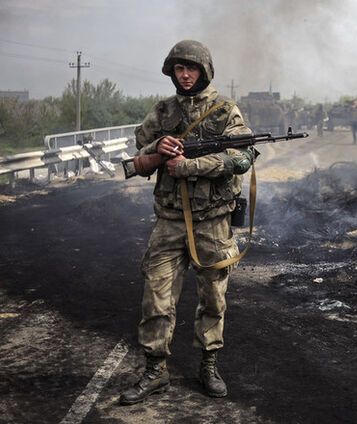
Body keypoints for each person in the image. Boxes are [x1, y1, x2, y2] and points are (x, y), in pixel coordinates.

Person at [119, 40, 257, 405]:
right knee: (156, 298)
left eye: (191, 68)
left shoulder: (225, 111)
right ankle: (155, 371)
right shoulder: (162, 111)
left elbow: (242, 158)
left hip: (212, 221)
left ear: (204, 71)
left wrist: (191, 166)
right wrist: (158, 149)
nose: (184, 75)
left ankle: (208, 365)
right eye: (178, 69)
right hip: (169, 221)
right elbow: (139, 153)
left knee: (213, 298)